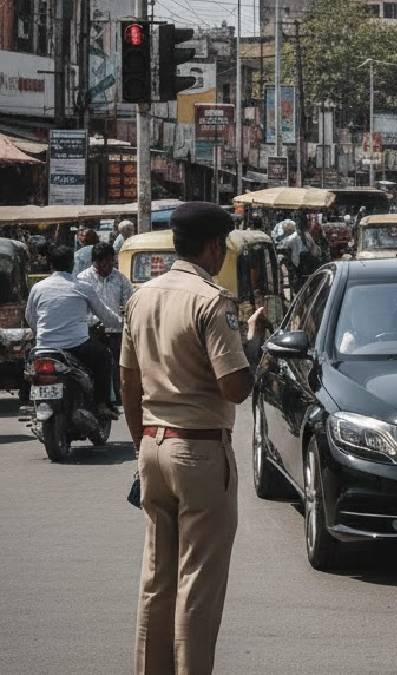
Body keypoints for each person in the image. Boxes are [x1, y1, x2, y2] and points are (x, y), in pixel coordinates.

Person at [121, 202, 265, 675]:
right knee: (198, 583)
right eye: (222, 245)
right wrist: (252, 343)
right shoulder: (212, 300)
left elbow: (128, 381)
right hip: (199, 449)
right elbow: (235, 387)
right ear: (210, 246)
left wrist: (142, 443)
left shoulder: (141, 296)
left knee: (156, 580)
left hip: (153, 445)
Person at [25, 244, 123, 419]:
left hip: (44, 347)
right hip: (76, 346)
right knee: (104, 357)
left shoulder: (38, 287)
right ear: (71, 265)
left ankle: (32, 402)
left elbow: (31, 318)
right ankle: (102, 404)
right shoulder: (81, 286)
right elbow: (106, 316)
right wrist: (123, 323)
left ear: (50, 265)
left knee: (31, 367)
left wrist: (42, 335)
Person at [78, 242, 133, 405]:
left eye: (111, 261)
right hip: (91, 331)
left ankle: (119, 396)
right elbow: (80, 309)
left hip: (115, 330)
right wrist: (94, 322)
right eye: (105, 262)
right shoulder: (83, 280)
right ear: (95, 262)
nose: (108, 266)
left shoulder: (120, 279)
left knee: (119, 364)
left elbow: (130, 302)